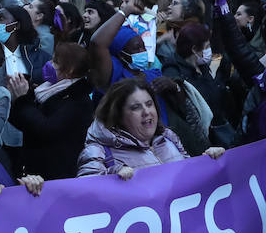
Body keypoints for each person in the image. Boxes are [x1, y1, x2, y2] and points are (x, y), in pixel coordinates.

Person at [77, 75, 223, 178]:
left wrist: (207, 162)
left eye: (149, 104)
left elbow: (189, 176)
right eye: (135, 107)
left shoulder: (169, 138)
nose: (146, 112)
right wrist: (111, 177)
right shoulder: (99, 151)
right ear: (118, 115)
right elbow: (86, 198)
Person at [6, 42, 96, 180]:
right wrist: (18, 97)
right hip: (33, 169)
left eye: (55, 61)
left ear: (69, 70)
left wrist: (23, 100)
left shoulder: (79, 101)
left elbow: (46, 129)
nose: (49, 63)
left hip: (56, 175)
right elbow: (24, 123)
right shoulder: (47, 89)